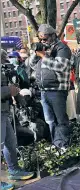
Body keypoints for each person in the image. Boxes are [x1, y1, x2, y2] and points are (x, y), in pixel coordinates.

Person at [29, 24, 72, 150]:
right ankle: (56, 143)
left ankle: (63, 145)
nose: (43, 41)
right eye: (40, 39)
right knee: (50, 121)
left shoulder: (62, 48)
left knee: (60, 120)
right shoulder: (44, 49)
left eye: (45, 39)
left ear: (53, 35)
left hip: (57, 89)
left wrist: (44, 56)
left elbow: (61, 67)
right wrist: (37, 53)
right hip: (44, 90)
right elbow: (32, 65)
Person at [1, 49, 35, 190]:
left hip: (4, 111)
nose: (6, 60)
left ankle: (14, 170)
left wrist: (16, 95)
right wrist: (9, 91)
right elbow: (7, 89)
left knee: (10, 142)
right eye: (3, 58)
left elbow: (10, 86)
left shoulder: (4, 69)